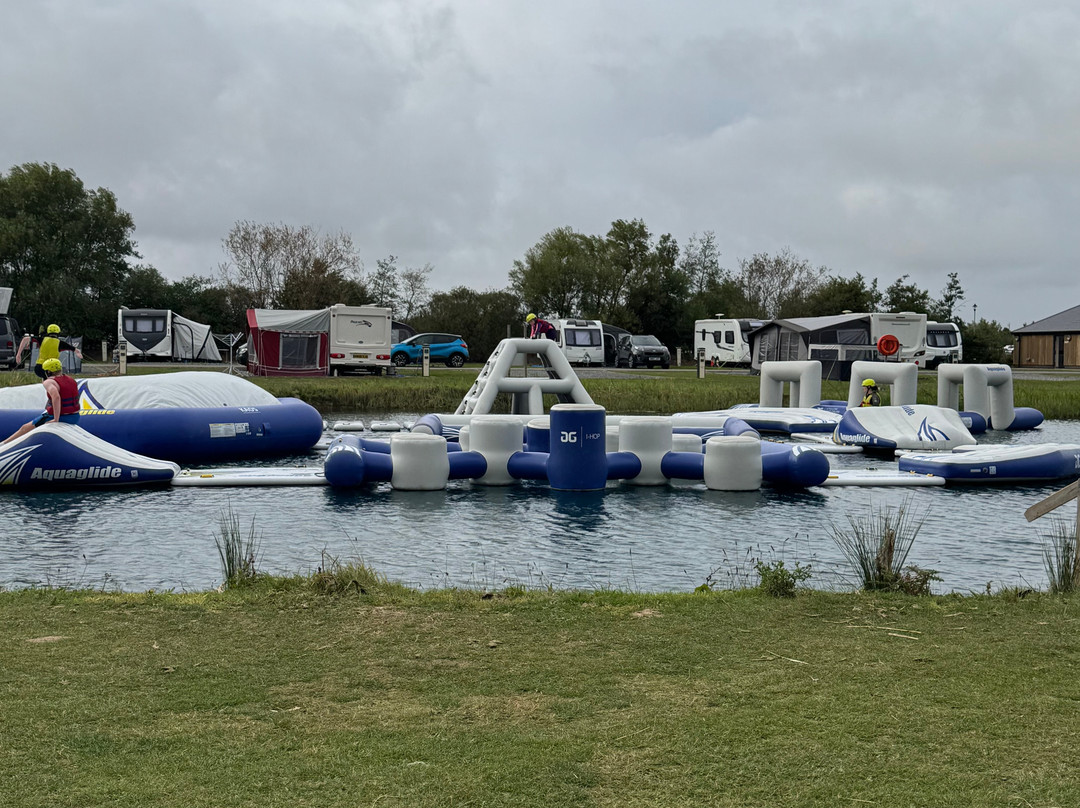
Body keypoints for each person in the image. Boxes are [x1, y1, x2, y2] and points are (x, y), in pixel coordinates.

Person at [1, 358, 81, 445]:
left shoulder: (49, 382)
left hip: (63, 417)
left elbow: (56, 397)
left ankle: (4, 444)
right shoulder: (71, 380)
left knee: (25, 428)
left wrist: (56, 419)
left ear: (48, 371)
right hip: (75, 417)